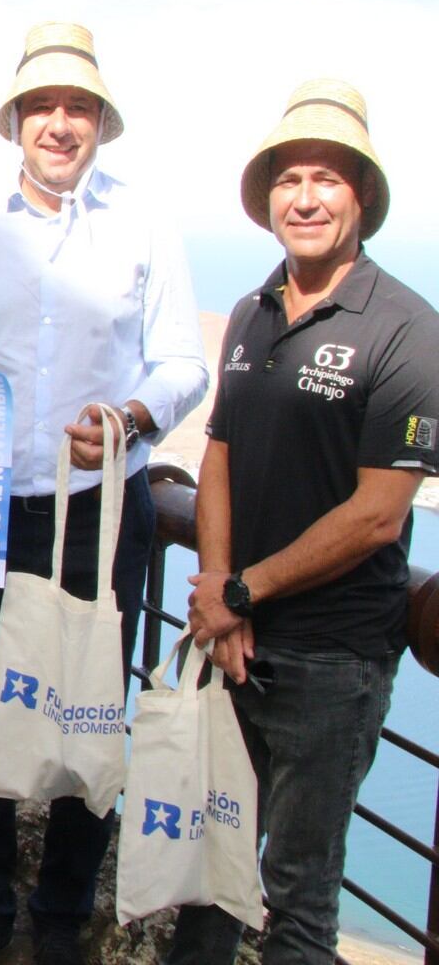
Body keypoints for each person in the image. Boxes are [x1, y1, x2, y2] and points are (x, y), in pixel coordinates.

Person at [0, 23, 208, 965]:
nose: (60, 122)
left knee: (88, 714)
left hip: (101, 512)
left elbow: (180, 363)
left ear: (101, 124)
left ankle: (64, 917)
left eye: (78, 107)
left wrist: (129, 414)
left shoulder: (146, 227)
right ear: (17, 121)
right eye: (44, 105)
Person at [168, 81, 439, 965]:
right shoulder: (251, 312)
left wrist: (243, 590)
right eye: (290, 179)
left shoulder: (406, 329)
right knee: (209, 869)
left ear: (361, 197)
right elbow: (219, 456)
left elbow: (376, 515)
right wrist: (218, 593)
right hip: (236, 638)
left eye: (327, 178)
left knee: (300, 902)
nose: (307, 197)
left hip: (332, 662)